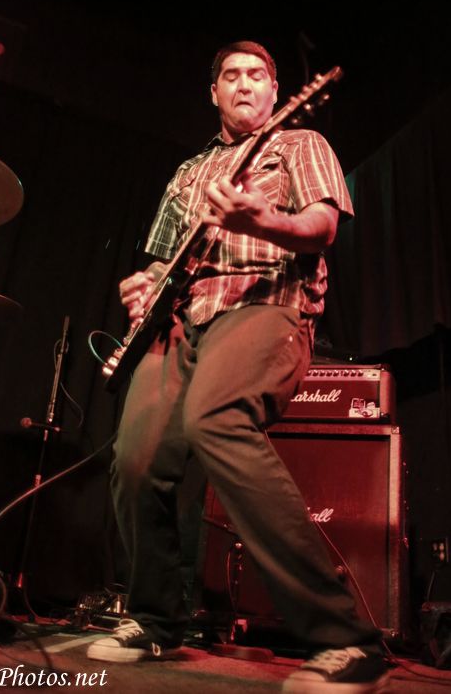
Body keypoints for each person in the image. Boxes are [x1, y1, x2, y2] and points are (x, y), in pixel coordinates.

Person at [87, 42, 389, 692]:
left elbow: (322, 226)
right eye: (231, 75)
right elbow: (161, 259)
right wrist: (144, 285)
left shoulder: (299, 142)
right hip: (182, 320)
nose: (244, 84)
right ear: (214, 92)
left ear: (276, 91)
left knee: (216, 418)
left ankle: (345, 636)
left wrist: (263, 218)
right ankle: (155, 618)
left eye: (257, 75)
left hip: (266, 301)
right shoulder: (188, 172)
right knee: (136, 457)